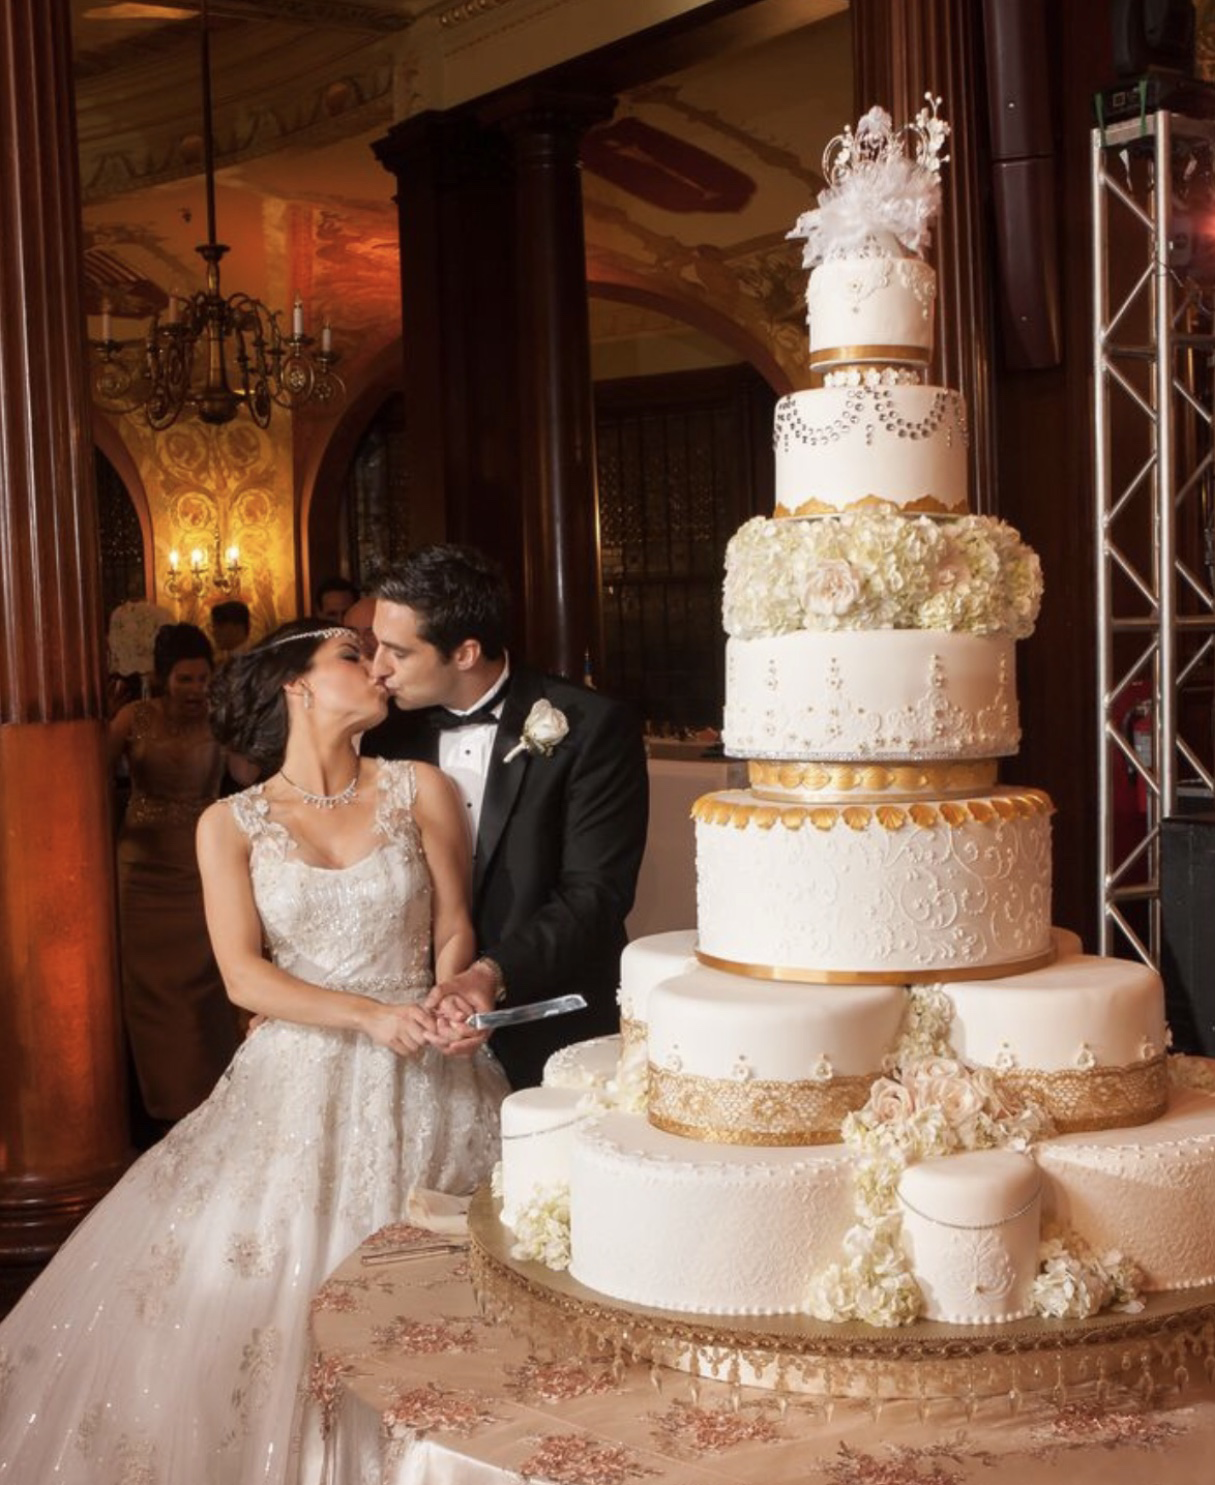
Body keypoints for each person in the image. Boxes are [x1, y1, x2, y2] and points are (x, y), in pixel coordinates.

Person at [0, 620, 508, 1483]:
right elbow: (243, 977)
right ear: (296, 686)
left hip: (431, 1067)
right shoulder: (226, 825)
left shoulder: (420, 787)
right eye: (352, 655)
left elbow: (455, 927)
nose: (377, 666)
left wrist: (455, 993)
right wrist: (363, 1016)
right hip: (296, 1079)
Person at [366, 543, 649, 1088]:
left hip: (546, 1017)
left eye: (397, 652)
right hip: (411, 1032)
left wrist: (491, 974)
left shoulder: (591, 726)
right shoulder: (383, 733)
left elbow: (596, 893)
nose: (378, 669)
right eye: (376, 646)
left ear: (466, 654)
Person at [109, 621, 241, 1130]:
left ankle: (212, 1106)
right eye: (185, 680)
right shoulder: (131, 718)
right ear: (163, 678)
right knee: (149, 993)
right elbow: (85, 776)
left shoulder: (220, 721)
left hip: (202, 869)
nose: (196, 690)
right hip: (140, 873)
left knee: (206, 990)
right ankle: (159, 1111)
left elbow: (248, 774)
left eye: (203, 679)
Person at [210, 596, 251, 661]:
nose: (214, 632)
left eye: (220, 626)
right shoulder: (222, 663)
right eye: (214, 626)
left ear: (238, 629)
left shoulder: (253, 662)